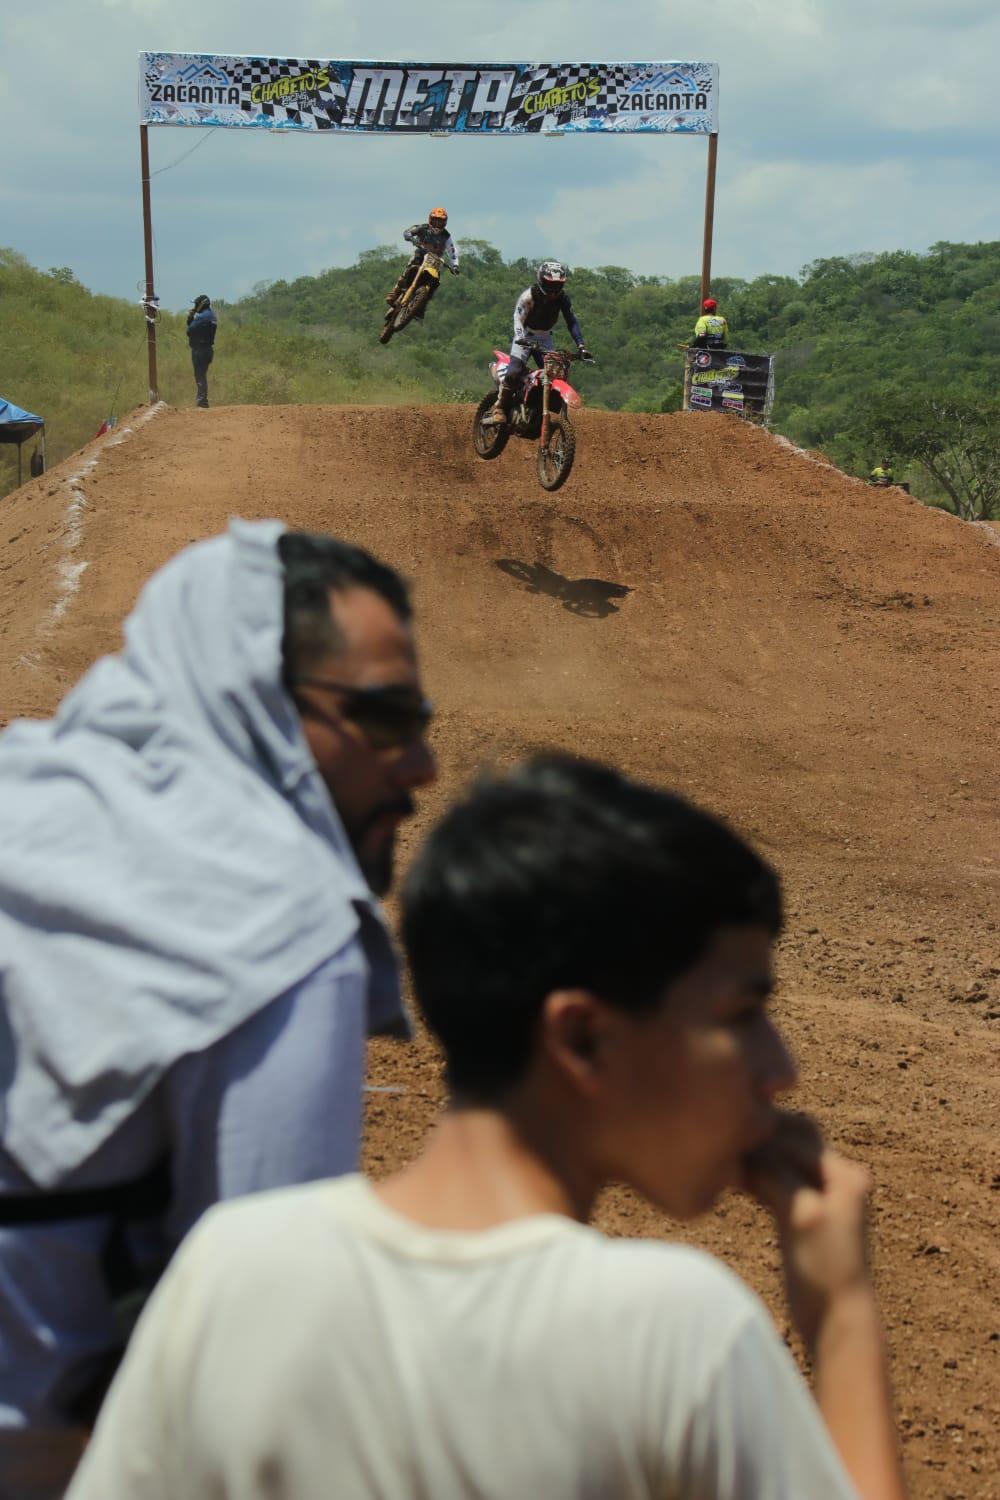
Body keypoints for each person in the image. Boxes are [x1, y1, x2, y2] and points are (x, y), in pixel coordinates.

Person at [67, 756, 907, 1500]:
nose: (781, 1066)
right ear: (580, 1037)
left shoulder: (227, 1271)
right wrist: (840, 1316)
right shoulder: (678, 1333)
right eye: (745, 1011)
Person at [0, 520, 436, 1498]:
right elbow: (262, 1388)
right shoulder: (277, 929)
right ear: (264, 709)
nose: (421, 767)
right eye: (388, 718)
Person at [487, 260, 593, 425]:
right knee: (514, 371)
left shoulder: (563, 299)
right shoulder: (529, 296)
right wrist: (520, 337)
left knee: (555, 374)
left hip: (544, 338)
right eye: (550, 285)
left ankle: (538, 409)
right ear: (541, 281)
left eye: (557, 285)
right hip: (525, 334)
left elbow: (571, 321)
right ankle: (499, 408)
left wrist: (581, 346)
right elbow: (518, 318)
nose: (553, 290)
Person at [385, 207, 459, 319]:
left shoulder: (446, 236)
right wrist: (411, 237)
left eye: (440, 221)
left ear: (444, 222)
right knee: (410, 266)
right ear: (430, 219)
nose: (437, 223)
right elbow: (407, 232)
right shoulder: (422, 228)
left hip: (435, 261)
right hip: (421, 255)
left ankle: (421, 307)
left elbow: (452, 251)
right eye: (435, 220)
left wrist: (455, 265)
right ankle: (395, 292)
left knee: (435, 283)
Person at [186, 293, 217, 408]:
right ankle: (202, 399)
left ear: (201, 304)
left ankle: (202, 401)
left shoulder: (202, 317)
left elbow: (189, 331)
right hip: (208, 349)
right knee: (202, 375)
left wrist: (190, 318)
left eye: (196, 304)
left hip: (200, 350)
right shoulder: (212, 315)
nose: (195, 306)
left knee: (199, 375)